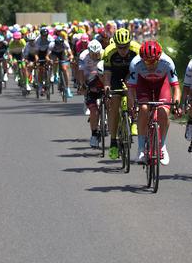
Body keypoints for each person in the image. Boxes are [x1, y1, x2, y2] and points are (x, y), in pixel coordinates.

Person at [127, 40, 182, 166]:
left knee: (163, 112)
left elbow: (176, 87)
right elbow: (131, 89)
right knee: (144, 109)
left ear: (159, 57)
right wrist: (132, 106)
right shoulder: (135, 63)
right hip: (143, 84)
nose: (150, 65)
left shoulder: (167, 62)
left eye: (153, 62)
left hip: (161, 85)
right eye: (146, 62)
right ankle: (141, 149)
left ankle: (162, 147)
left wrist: (177, 104)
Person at [102, 28, 140, 159]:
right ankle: (113, 142)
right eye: (120, 47)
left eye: (125, 47)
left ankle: (134, 119)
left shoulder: (137, 50)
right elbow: (107, 73)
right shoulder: (109, 51)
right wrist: (107, 86)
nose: (123, 50)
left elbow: (140, 71)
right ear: (115, 45)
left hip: (131, 73)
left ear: (130, 43)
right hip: (115, 75)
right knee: (114, 103)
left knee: (132, 92)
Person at [78, 40, 105, 148]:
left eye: (97, 54)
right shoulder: (83, 56)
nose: (95, 56)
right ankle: (94, 135)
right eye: (92, 54)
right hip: (90, 81)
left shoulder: (105, 53)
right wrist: (82, 85)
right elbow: (80, 73)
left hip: (103, 80)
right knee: (94, 111)